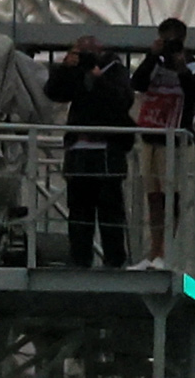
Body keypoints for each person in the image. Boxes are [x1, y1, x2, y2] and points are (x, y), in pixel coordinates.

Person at [128, 18, 195, 265]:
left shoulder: (194, 68)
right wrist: (152, 56)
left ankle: (166, 248)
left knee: (169, 192)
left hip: (173, 135)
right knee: (152, 194)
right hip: (150, 133)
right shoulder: (155, 62)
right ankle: (154, 247)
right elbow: (137, 84)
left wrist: (181, 68)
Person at [44, 39, 133, 266]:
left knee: (109, 208)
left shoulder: (114, 71)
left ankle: (114, 259)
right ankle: (79, 257)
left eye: (85, 53)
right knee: (79, 208)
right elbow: (54, 92)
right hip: (79, 148)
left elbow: (122, 100)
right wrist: (65, 68)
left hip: (108, 148)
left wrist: (97, 77)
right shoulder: (77, 73)